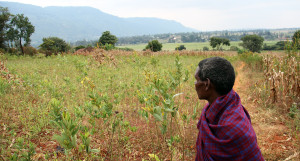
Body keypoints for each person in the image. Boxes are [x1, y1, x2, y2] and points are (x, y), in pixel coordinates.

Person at [194, 57, 264, 161]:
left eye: (196, 79)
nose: (195, 84)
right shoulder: (210, 110)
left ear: (207, 84)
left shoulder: (237, 129)